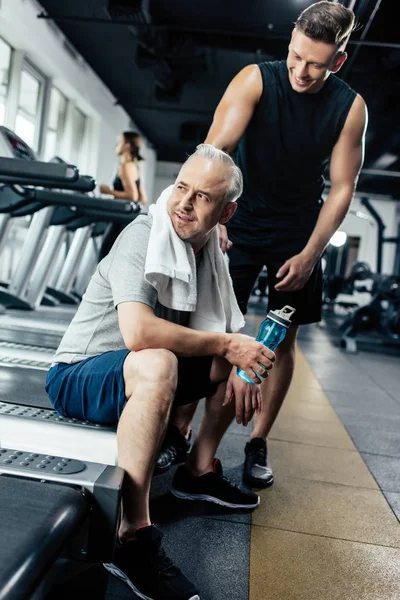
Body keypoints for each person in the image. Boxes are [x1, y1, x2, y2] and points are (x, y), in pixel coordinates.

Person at [45, 144, 276, 600]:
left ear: (225, 211)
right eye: (181, 188)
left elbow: (224, 329)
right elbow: (137, 333)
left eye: (203, 197)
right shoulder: (142, 235)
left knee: (226, 358)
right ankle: (132, 536)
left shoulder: (208, 248)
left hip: (134, 376)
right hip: (79, 373)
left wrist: (238, 360)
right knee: (161, 358)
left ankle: (196, 470)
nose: (185, 204)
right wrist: (230, 344)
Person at [155, 1, 368, 488]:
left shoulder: (350, 107)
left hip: (299, 231)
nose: (300, 70)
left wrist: (312, 253)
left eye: (315, 64)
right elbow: (215, 152)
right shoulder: (256, 79)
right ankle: (180, 430)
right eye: (295, 56)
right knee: (212, 326)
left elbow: (341, 188)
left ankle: (257, 441)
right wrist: (213, 219)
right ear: (290, 41)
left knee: (282, 340)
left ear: (338, 60)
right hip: (240, 218)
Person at [98, 131, 148, 260]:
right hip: (128, 220)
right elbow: (143, 198)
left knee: (104, 258)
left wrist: (109, 191)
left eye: (119, 142)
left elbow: (133, 196)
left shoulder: (126, 167)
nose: (116, 145)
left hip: (120, 220)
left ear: (127, 146)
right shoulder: (135, 167)